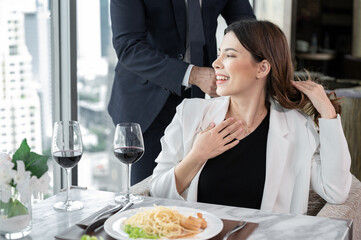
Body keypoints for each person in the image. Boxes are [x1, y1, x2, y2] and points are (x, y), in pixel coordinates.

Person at [149, 19, 352, 214]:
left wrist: (328, 113)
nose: (216, 63)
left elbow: (336, 192)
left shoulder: (298, 127)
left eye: (229, 55)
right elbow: (156, 192)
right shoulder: (190, 114)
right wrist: (197, 155)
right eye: (219, 54)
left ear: (262, 68)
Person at [108, 0, 255, 184]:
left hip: (202, 99)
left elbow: (249, 29)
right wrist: (193, 74)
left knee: (196, 190)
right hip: (147, 102)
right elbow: (128, 47)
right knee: (150, 196)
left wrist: (273, 74)